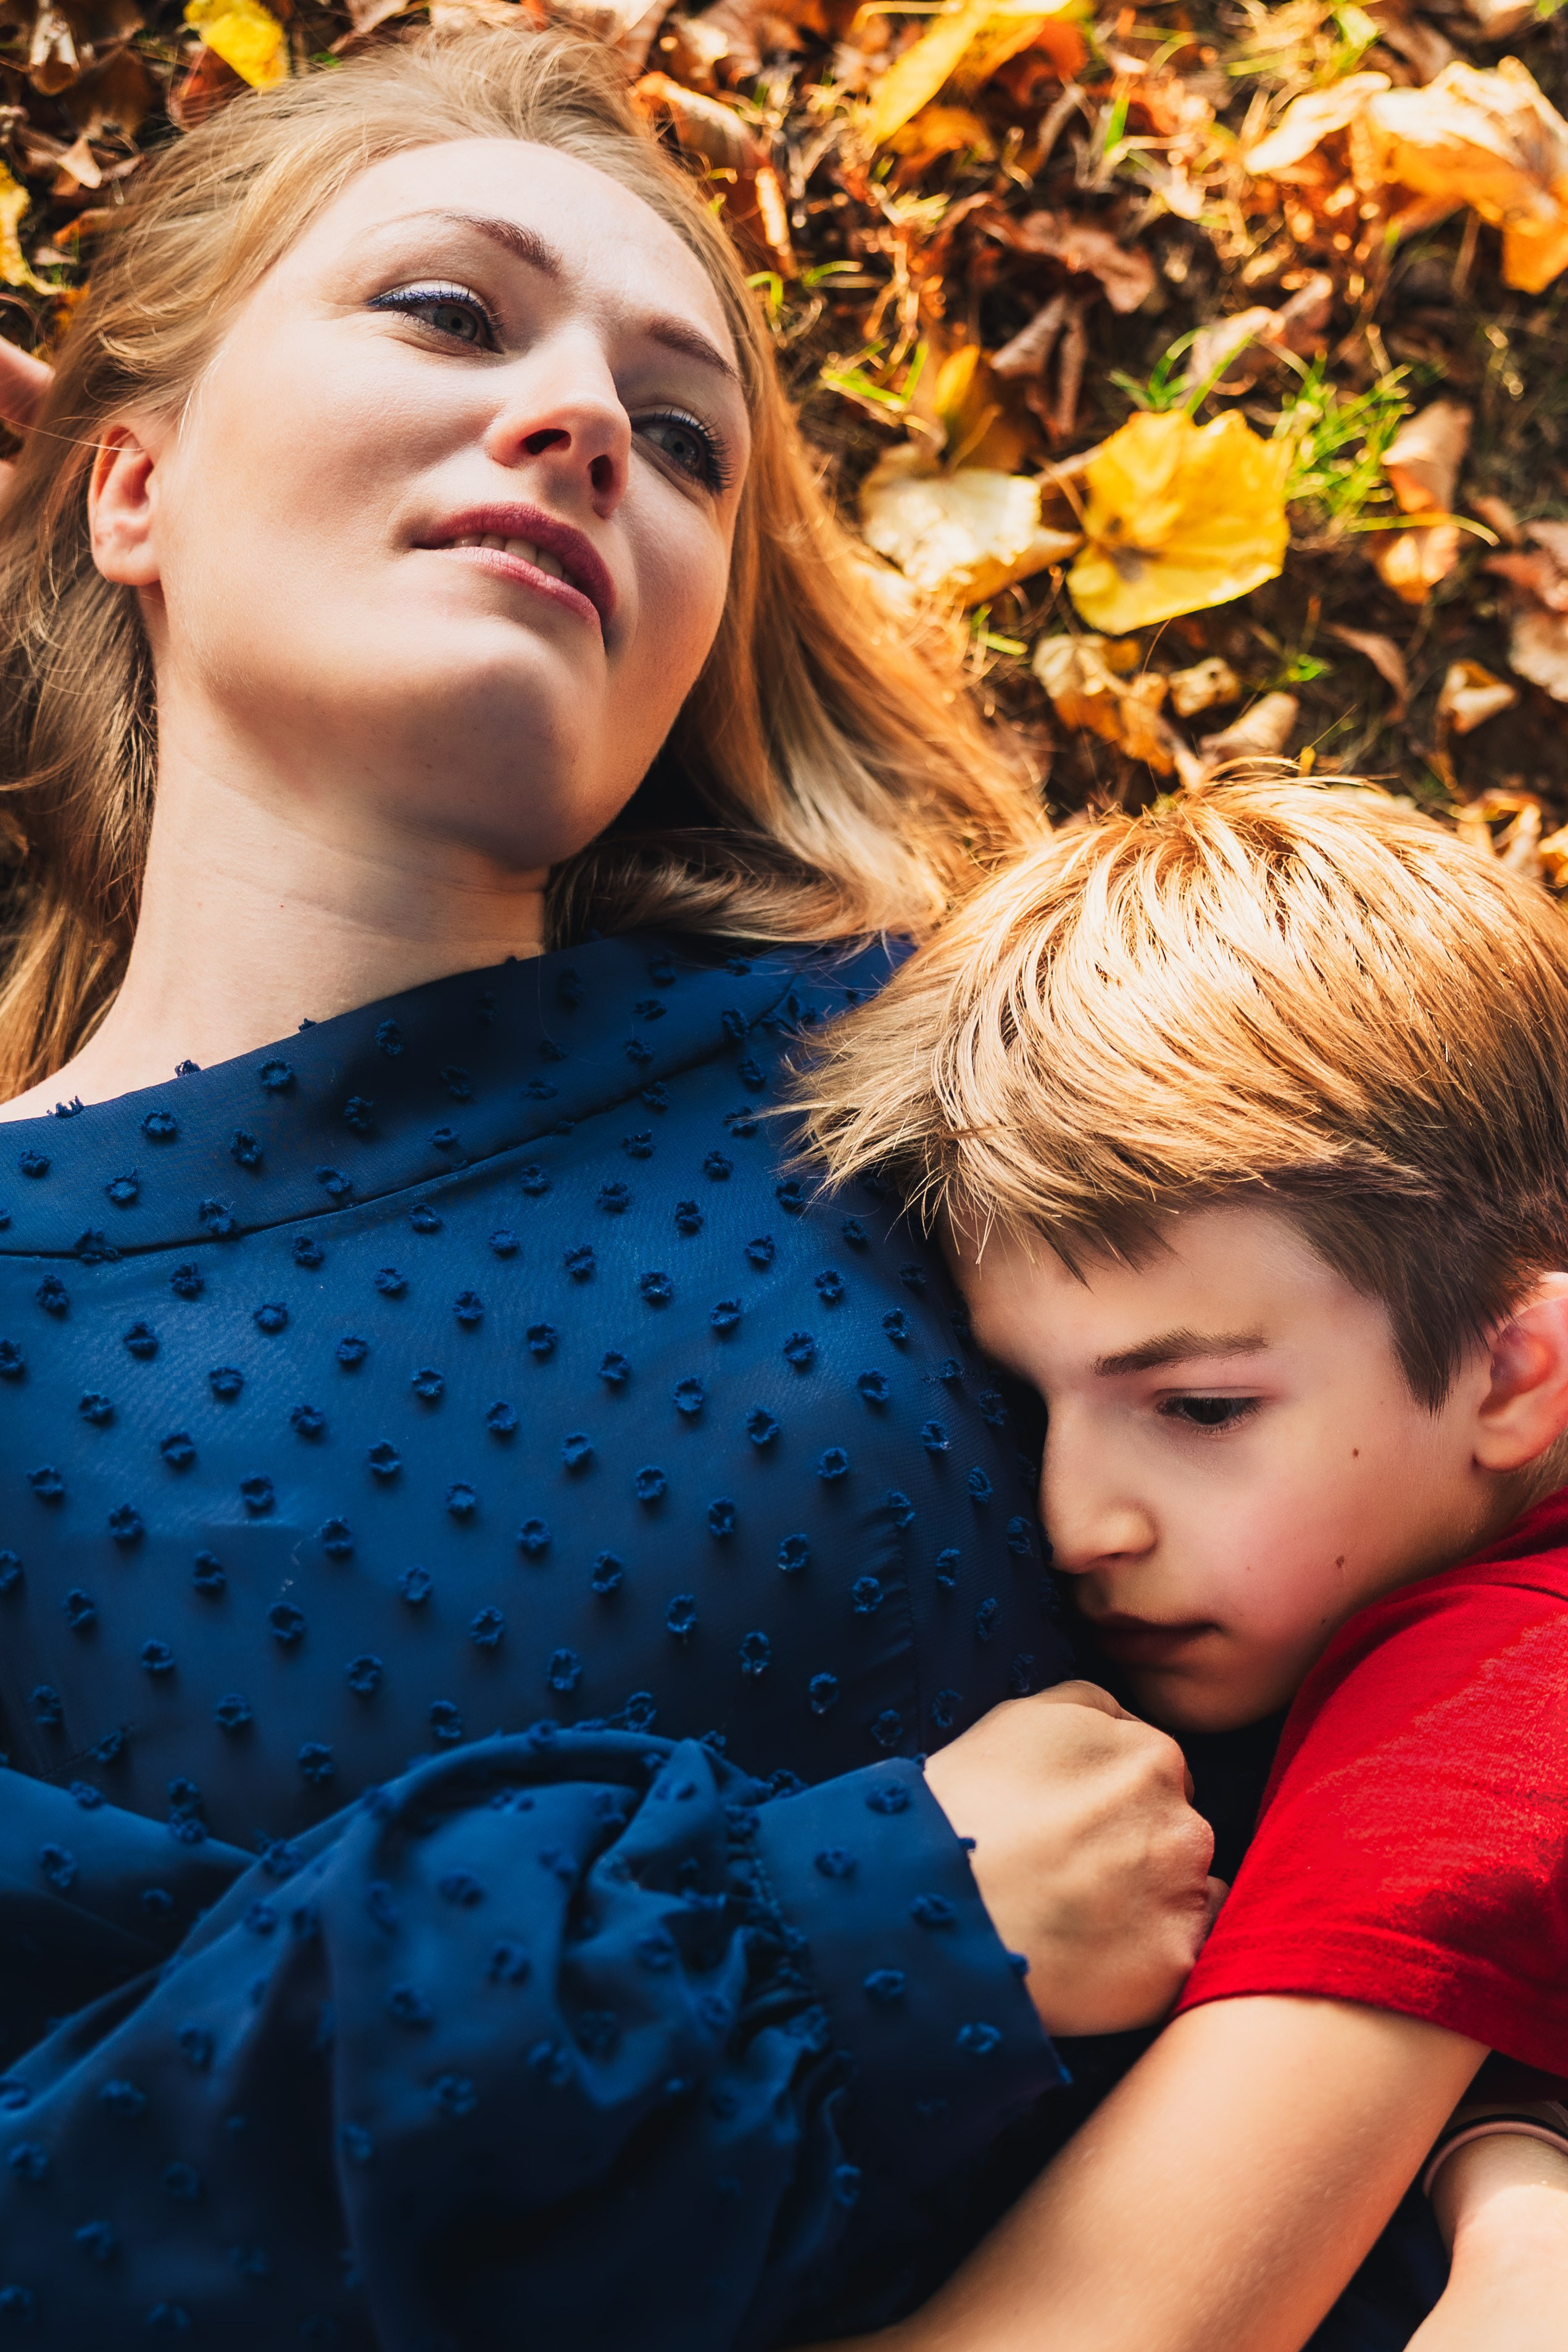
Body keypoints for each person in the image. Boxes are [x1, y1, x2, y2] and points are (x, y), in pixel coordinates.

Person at [0, 27, 1225, 2348]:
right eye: (449, 316)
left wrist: (1494, 2152)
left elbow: (1464, 1533)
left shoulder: (920, 1081)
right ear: (125, 482)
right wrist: (864, 1936)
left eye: (683, 440)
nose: (579, 424)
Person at [794, 778, 1568, 2352]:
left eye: (1199, 1407)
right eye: (1022, 1404)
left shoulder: (1487, 1693)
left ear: (1511, 1371)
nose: (1078, 1518)